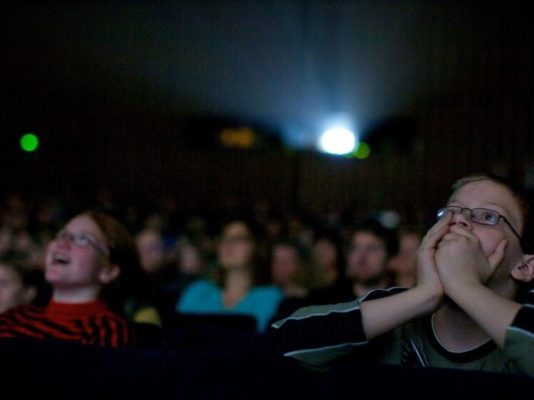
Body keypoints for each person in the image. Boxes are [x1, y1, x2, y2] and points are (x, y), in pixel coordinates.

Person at [271, 173, 534, 377]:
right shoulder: (399, 312)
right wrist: (424, 294)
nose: (459, 222)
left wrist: (464, 286)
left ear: (525, 266)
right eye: (451, 212)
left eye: (488, 216)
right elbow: (281, 345)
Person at [0, 210, 136, 347]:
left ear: (109, 271)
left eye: (83, 239)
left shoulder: (107, 329)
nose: (62, 243)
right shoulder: (14, 316)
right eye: (61, 235)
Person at [176, 215, 284, 332]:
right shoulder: (198, 291)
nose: (228, 245)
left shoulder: (270, 296)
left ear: (256, 246)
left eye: (238, 239)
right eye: (224, 239)